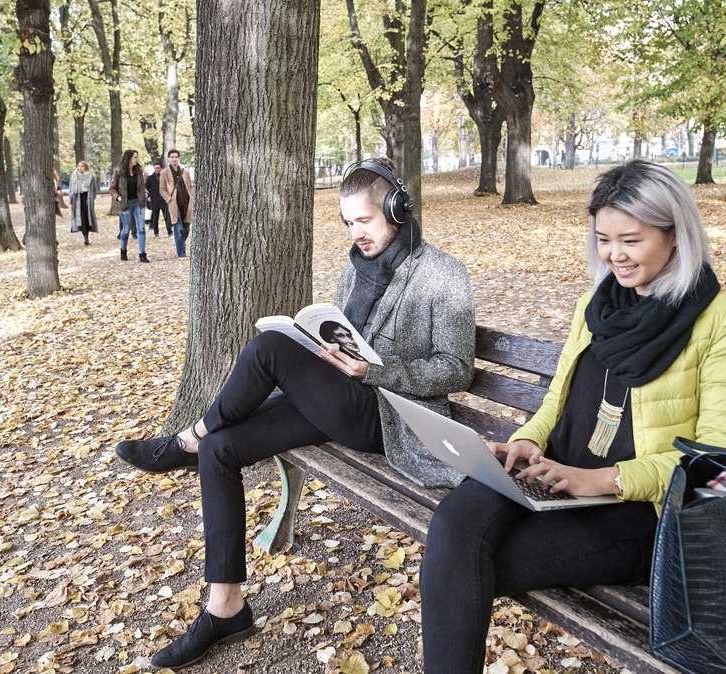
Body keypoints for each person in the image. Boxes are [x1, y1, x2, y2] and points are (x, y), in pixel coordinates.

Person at [115, 157, 476, 670]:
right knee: (221, 451)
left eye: (365, 221)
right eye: (348, 222)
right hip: (340, 401)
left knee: (268, 350)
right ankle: (226, 608)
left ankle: (187, 436)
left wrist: (374, 371)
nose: (357, 233)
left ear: (398, 208)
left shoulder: (443, 273)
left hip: (391, 417)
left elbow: (457, 369)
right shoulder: (356, 269)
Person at [418, 160, 726, 674]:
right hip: (552, 474)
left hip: (636, 511)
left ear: (674, 236)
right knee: (452, 526)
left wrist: (598, 479)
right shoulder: (595, 306)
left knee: (460, 565)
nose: (614, 255)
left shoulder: (722, 321)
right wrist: (527, 442)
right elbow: (557, 400)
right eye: (603, 239)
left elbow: (719, 462)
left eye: (631, 240)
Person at [110, 150, 149, 262]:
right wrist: (118, 197)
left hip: (138, 202)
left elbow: (141, 186)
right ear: (129, 158)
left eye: (137, 157)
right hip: (125, 203)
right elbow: (112, 188)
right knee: (126, 229)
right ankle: (123, 250)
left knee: (141, 228)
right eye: (135, 157)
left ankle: (142, 254)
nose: (137, 159)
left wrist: (145, 193)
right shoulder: (119, 172)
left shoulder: (139, 171)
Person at [159, 149, 194, 258]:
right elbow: (162, 189)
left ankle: (181, 245)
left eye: (176, 157)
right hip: (174, 204)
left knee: (186, 228)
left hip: (187, 203)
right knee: (178, 228)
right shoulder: (164, 173)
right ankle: (181, 254)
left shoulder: (185, 171)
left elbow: (191, 186)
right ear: (169, 159)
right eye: (172, 157)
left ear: (178, 158)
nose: (174, 159)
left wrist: (192, 197)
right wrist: (168, 199)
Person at [68, 160, 99, 245]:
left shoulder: (91, 177)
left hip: (87, 198)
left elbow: (95, 189)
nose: (80, 168)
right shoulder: (74, 176)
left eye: (82, 166)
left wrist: (92, 198)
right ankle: (85, 237)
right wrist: (71, 200)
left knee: (87, 217)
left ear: (85, 167)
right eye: (78, 166)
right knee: (80, 218)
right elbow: (71, 189)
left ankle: (87, 236)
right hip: (77, 199)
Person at [145, 160, 167, 237]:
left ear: (161, 168)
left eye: (158, 168)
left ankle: (170, 232)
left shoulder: (165, 177)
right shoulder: (150, 178)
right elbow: (146, 187)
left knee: (167, 217)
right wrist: (149, 195)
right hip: (154, 200)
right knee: (155, 218)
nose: (157, 169)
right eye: (155, 168)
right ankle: (156, 233)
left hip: (164, 200)